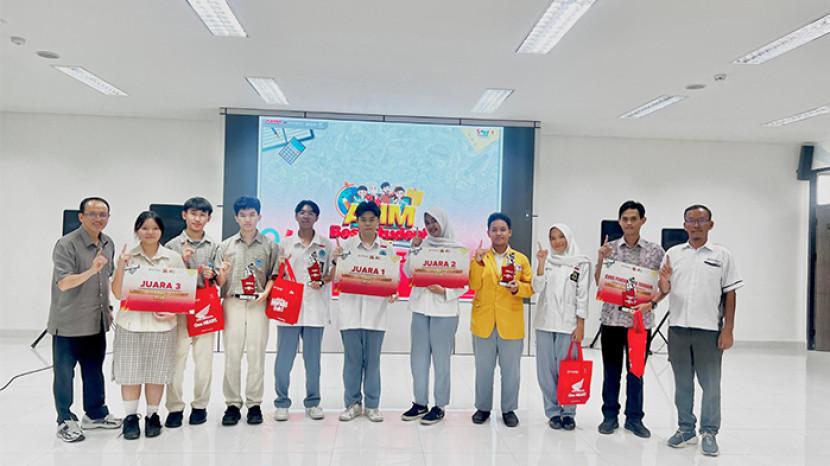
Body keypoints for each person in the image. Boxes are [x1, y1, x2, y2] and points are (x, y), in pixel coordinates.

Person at [660, 205, 743, 457]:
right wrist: (663, 281)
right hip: (678, 329)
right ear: (684, 225)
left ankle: (709, 432)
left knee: (710, 384)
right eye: (691, 220)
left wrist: (728, 329)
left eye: (701, 220)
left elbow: (730, 293)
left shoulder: (722, 255)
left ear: (710, 224)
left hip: (708, 330)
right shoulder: (673, 254)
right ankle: (686, 429)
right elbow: (664, 289)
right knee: (682, 383)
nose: (696, 225)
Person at [49, 197, 122, 442]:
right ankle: (65, 420)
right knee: (64, 374)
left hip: (95, 321)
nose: (98, 219)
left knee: (93, 370)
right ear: (81, 217)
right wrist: (91, 270)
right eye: (92, 214)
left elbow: (106, 279)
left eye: (103, 214)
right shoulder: (66, 244)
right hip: (68, 322)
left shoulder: (108, 242)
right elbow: (63, 283)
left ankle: (95, 414)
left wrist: (108, 307)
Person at [594, 200, 665, 438]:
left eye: (634, 219)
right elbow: (599, 282)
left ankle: (634, 419)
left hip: (638, 324)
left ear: (643, 221)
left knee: (636, 372)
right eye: (625, 219)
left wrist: (652, 303)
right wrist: (601, 259)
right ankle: (609, 416)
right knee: (611, 372)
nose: (629, 223)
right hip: (612, 320)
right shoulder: (610, 248)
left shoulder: (656, 252)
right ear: (619, 221)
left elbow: (664, 285)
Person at [111, 211, 184, 440]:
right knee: (130, 373)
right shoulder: (127, 257)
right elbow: (117, 293)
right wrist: (121, 266)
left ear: (161, 231)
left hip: (162, 326)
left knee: (156, 373)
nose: (150, 232)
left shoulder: (173, 258)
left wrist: (173, 310)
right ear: (137, 231)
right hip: (130, 324)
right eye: (144, 228)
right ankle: (131, 418)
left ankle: (152, 416)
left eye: (154, 228)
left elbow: (183, 293)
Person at [215, 196, 279, 426]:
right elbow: (218, 281)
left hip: (258, 303)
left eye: (252, 214)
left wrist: (266, 293)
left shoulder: (270, 246)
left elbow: (274, 275)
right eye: (242, 215)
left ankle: (254, 404)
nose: (247, 219)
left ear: (259, 216)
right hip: (232, 303)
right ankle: (232, 404)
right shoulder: (225, 246)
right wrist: (222, 273)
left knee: (256, 355)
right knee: (232, 355)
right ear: (236, 218)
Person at [332, 201, 397, 422]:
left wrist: (392, 292)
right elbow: (336, 278)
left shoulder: (387, 249)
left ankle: (372, 405)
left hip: (376, 315)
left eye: (372, 219)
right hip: (349, 313)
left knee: (373, 362)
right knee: (352, 362)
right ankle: (352, 404)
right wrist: (335, 261)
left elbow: (393, 280)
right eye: (363, 220)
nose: (367, 223)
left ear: (378, 222)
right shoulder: (346, 247)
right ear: (357, 222)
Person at [401, 208, 465, 425]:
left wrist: (445, 291)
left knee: (441, 360)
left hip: (445, 312)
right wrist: (413, 250)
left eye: (434, 221)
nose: (431, 226)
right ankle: (420, 403)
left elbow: (465, 284)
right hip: (420, 308)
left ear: (443, 222)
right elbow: (408, 272)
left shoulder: (458, 249)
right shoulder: (422, 246)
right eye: (427, 222)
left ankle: (440, 406)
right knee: (418, 359)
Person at [469, 212, 533, 428]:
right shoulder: (480, 258)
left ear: (510, 232)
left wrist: (518, 288)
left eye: (502, 229)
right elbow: (473, 285)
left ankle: (508, 409)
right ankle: (483, 407)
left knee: (511, 371)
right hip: (483, 321)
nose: (499, 233)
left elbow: (530, 287)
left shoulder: (520, 259)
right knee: (483, 369)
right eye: (494, 229)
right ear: (488, 233)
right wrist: (477, 263)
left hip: (511, 322)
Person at [273, 200, 333, 421]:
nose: (306, 216)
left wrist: (324, 280)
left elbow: (332, 273)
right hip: (290, 309)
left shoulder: (326, 245)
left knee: (313, 361)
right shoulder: (285, 244)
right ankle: (281, 403)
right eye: (302, 212)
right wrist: (281, 265)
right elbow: (276, 275)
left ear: (317, 217)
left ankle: (313, 402)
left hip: (315, 309)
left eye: (311, 213)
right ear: (295, 216)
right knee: (284, 360)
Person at [163, 197, 220, 427]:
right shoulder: (171, 246)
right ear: (184, 215)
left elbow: (218, 276)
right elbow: (165, 278)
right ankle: (175, 407)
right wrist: (182, 262)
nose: (197, 219)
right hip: (179, 309)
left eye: (202, 215)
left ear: (208, 218)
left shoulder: (213, 246)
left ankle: (200, 406)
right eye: (193, 213)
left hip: (204, 306)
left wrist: (211, 274)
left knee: (204, 361)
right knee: (177, 361)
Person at [532, 224, 591, 431]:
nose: (557, 242)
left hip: (568, 325)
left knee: (569, 370)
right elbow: (537, 287)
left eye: (561, 237)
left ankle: (569, 412)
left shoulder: (581, 262)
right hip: (545, 322)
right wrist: (540, 263)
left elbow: (583, 296)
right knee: (546, 371)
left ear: (568, 237)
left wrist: (581, 324)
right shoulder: (547, 260)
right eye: (553, 238)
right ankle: (553, 412)